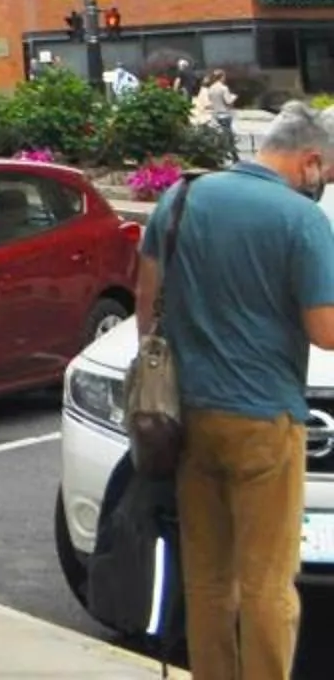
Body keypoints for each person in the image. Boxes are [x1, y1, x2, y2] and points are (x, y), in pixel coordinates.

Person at [138, 104, 334, 680]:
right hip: (265, 420)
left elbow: (146, 301)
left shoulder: (182, 197)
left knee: (207, 580)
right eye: (327, 173)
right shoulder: (301, 219)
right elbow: (325, 331)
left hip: (188, 415)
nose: (323, 183)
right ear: (310, 161)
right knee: (267, 584)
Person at [194, 67, 239, 151]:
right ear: (221, 77)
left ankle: (220, 149)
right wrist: (234, 98)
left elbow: (210, 101)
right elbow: (228, 101)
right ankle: (231, 151)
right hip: (224, 114)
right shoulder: (224, 88)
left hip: (215, 114)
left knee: (219, 133)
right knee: (228, 134)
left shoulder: (211, 89)